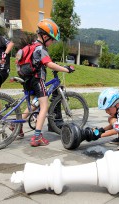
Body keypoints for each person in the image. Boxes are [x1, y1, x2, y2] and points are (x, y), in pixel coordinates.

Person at [20, 18, 74, 147]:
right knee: (44, 107)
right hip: (37, 79)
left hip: (27, 79)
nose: (52, 42)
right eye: (51, 39)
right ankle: (37, 137)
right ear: (44, 36)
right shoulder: (41, 48)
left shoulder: (32, 47)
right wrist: (66, 69)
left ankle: (15, 125)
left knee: (34, 104)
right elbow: (49, 64)